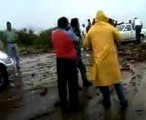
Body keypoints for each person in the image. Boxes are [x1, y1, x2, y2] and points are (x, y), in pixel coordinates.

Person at [83, 10, 127, 109]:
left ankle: (107, 102)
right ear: (105, 17)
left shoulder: (91, 30)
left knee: (103, 84)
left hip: (99, 61)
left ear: (96, 18)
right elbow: (120, 37)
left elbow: (85, 44)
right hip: (112, 61)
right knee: (116, 82)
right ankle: (123, 102)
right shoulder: (109, 27)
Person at [52, 17, 79, 112]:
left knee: (61, 84)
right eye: (67, 23)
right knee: (72, 84)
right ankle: (73, 105)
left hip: (59, 61)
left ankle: (64, 104)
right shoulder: (69, 34)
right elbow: (77, 40)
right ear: (66, 24)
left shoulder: (53, 33)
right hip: (70, 62)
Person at [69, 18, 92, 88]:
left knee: (82, 68)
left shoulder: (76, 30)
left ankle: (85, 82)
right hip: (73, 55)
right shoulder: (71, 32)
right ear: (76, 24)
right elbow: (76, 41)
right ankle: (76, 85)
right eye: (78, 23)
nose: (79, 24)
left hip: (77, 54)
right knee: (74, 71)